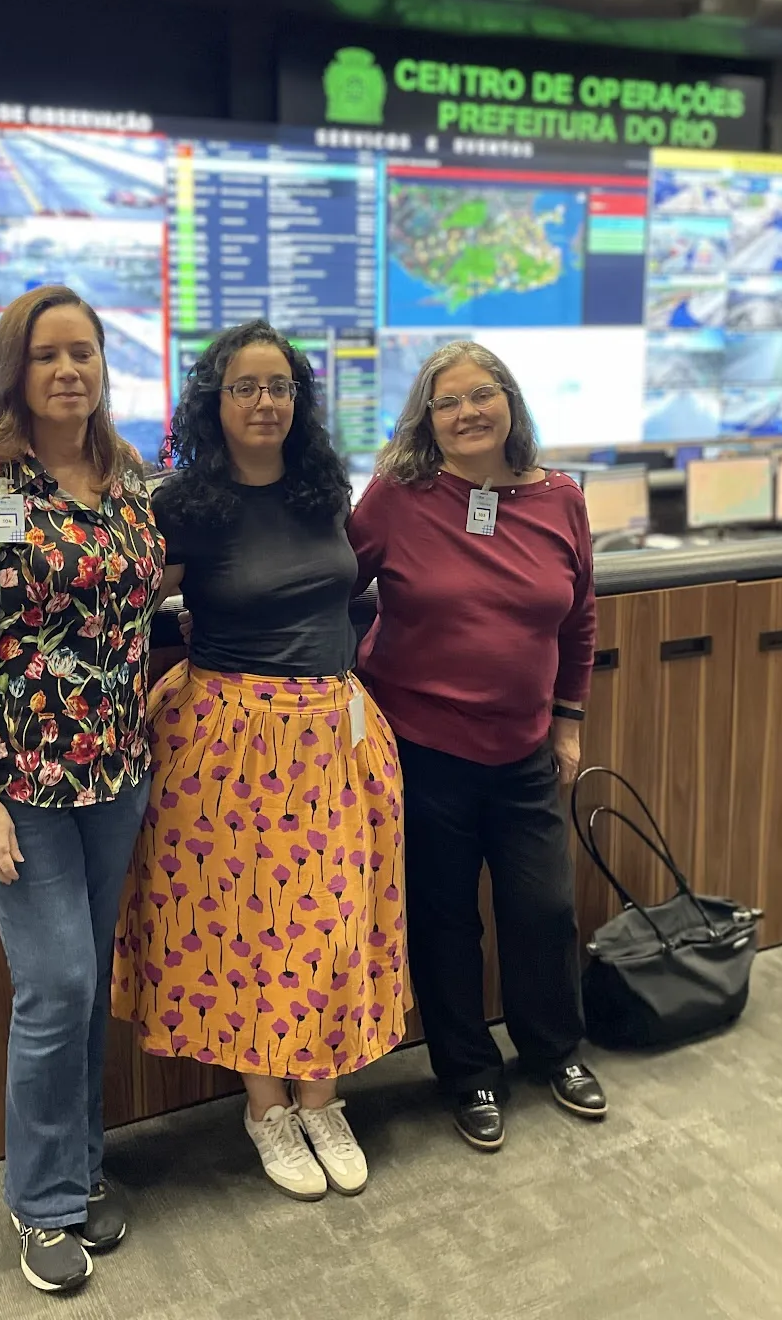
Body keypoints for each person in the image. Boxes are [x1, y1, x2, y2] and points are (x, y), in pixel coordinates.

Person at [113, 319, 407, 1202]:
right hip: (228, 742)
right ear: (214, 400)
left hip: (333, 733)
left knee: (332, 920)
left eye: (279, 386)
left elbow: (348, 587)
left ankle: (323, 1098)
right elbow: (119, 606)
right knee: (244, 926)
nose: (265, 401)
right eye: (244, 386)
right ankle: (266, 1107)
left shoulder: (324, 490)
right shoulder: (182, 505)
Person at [0, 285, 164, 1295]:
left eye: (85, 353)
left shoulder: (127, 476)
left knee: (90, 979)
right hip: (16, 780)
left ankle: (78, 1166)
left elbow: (143, 603)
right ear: (13, 370)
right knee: (57, 983)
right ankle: (42, 1202)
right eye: (47, 354)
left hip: (114, 773)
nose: (69, 370)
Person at [347, 339, 604, 1153]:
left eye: (481, 394)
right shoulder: (397, 497)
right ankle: (468, 1074)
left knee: (544, 910)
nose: (467, 413)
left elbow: (579, 617)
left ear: (510, 402)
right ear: (427, 418)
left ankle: (554, 1052)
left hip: (524, 750)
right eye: (447, 402)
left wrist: (569, 722)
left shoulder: (560, 497)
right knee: (444, 919)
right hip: (423, 749)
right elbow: (331, 581)